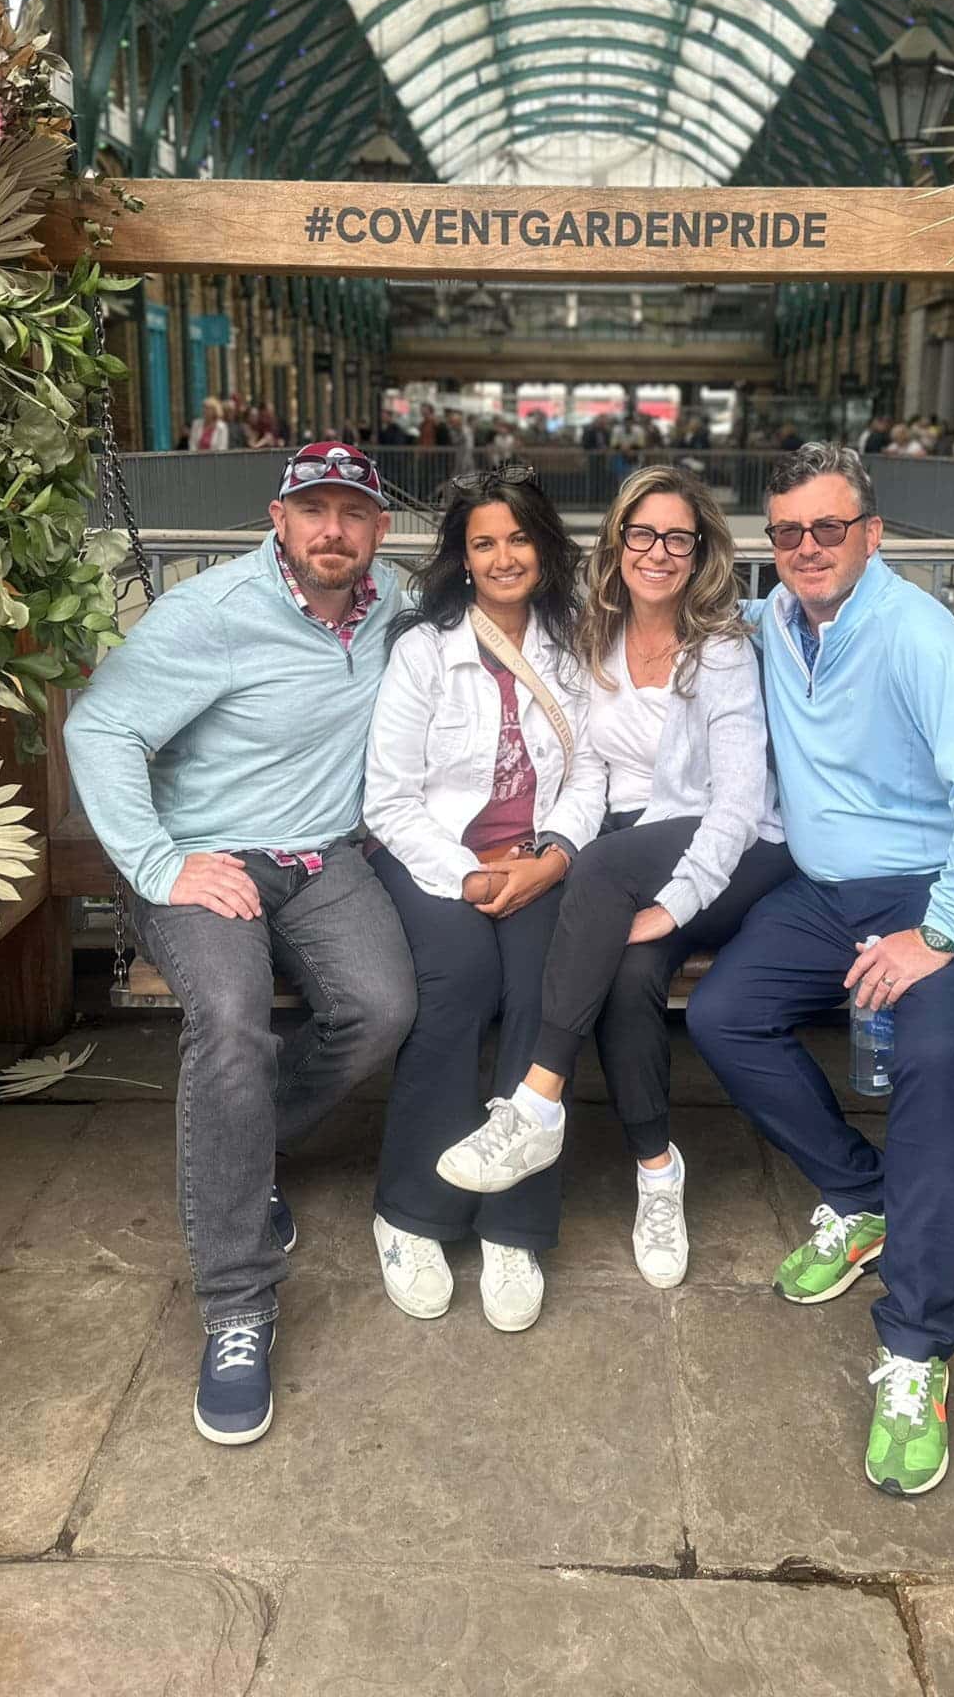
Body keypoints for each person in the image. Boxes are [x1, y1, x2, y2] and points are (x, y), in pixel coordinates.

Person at [685, 443, 954, 1500]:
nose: (807, 548)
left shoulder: (913, 630)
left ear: (871, 536)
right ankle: (859, 1192)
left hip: (932, 891)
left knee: (933, 1065)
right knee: (723, 1012)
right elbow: (672, 635)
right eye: (788, 532)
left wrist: (941, 931)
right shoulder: (771, 625)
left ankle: (919, 1343)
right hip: (827, 892)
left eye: (828, 528)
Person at [64, 443, 417, 1448]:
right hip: (207, 859)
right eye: (314, 510)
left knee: (384, 1007)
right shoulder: (210, 613)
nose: (333, 530)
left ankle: (245, 1145)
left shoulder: (394, 605)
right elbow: (99, 730)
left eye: (353, 512)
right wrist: (160, 863)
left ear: (379, 528)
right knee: (228, 1020)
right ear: (279, 518)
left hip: (324, 857)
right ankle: (236, 1303)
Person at [436, 467, 791, 1288]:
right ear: (619, 541)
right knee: (629, 976)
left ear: (700, 551)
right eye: (642, 534)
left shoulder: (721, 650)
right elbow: (590, 770)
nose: (657, 552)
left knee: (601, 867)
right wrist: (561, 843)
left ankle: (536, 1101)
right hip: (627, 851)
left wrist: (676, 903)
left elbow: (739, 803)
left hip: (731, 847)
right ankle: (658, 1170)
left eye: (677, 538)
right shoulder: (594, 637)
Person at [364, 468, 606, 1332]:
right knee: (458, 983)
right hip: (433, 858)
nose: (504, 557)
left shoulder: (571, 647)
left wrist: (554, 856)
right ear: (461, 558)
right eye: (483, 543)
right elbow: (389, 799)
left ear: (544, 548)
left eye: (518, 538)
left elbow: (592, 773)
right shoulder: (424, 651)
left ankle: (513, 1227)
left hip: (536, 860)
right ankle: (411, 1211)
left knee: (543, 989)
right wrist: (468, 875)